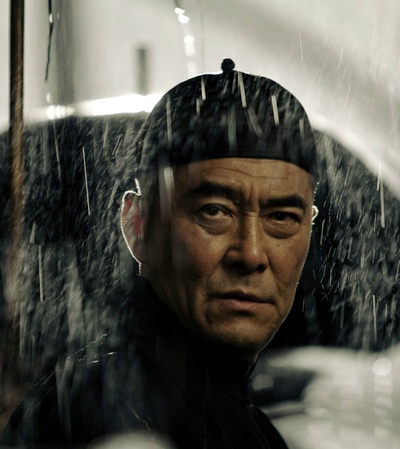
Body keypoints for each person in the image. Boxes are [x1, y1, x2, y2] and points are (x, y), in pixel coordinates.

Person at [2, 58, 318, 448]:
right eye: (214, 212)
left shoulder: (253, 424)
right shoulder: (109, 407)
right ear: (138, 227)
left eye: (282, 217)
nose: (251, 254)